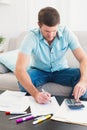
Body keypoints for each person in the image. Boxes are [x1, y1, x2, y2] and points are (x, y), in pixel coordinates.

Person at [15, 7, 87, 104]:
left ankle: (70, 105)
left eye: (54, 31)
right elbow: (19, 69)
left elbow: (83, 59)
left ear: (58, 25)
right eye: (47, 31)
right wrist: (36, 94)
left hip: (62, 71)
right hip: (39, 71)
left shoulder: (67, 33)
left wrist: (83, 82)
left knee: (84, 80)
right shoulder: (31, 37)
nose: (51, 35)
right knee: (22, 83)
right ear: (39, 25)